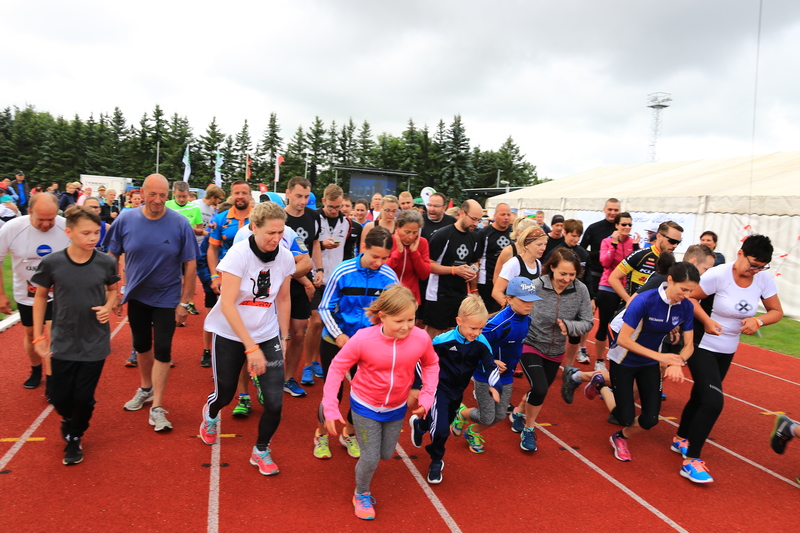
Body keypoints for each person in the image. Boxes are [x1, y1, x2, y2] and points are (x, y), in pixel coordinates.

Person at [322, 285, 439, 520]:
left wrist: (427, 396)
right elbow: (337, 368)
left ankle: (358, 449)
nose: (406, 326)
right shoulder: (363, 339)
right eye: (399, 321)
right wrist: (330, 407)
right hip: (365, 405)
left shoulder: (420, 338)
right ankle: (361, 493)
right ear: (383, 316)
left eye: (411, 319)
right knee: (371, 457)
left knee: (385, 454)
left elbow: (431, 364)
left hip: (396, 407)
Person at [674, 235, 783, 483]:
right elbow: (690, 298)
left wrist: (758, 321)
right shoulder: (719, 275)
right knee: (713, 402)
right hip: (702, 344)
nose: (755, 270)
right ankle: (691, 460)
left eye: (761, 267)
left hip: (728, 348)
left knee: (701, 396)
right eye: (753, 264)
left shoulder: (763, 279)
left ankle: (680, 438)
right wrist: (707, 320)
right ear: (740, 253)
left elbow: (777, 311)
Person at [198, 202, 294, 476]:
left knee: (274, 401)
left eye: (280, 232)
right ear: (254, 228)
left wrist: (284, 338)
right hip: (230, 332)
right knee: (225, 394)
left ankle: (261, 450)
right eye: (270, 233)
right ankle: (211, 414)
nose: (276, 238)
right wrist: (250, 347)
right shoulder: (238, 255)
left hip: (266, 333)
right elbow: (228, 305)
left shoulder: (285, 256)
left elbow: (283, 299)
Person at [104, 174, 197, 432]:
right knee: (142, 345)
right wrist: (113, 291)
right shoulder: (125, 219)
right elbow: (111, 255)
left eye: (163, 195)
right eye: (153, 194)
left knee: (163, 349)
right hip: (136, 296)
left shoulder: (179, 223)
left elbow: (190, 264)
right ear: (142, 193)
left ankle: (157, 406)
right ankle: (146, 388)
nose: (157, 200)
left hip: (167, 297)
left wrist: (185, 302)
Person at [31, 205, 118, 465]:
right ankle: (69, 419)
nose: (93, 238)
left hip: (95, 341)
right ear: (69, 232)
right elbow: (40, 297)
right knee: (59, 397)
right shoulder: (52, 262)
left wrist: (108, 306)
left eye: (96, 233)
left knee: (83, 397)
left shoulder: (106, 262)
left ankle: (75, 436)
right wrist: (38, 336)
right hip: (63, 340)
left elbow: (113, 290)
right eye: (86, 233)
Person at [313, 227, 399, 461]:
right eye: (375, 256)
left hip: (370, 345)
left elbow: (393, 311)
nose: (379, 263)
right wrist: (339, 335)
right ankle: (321, 434)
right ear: (363, 248)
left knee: (363, 393)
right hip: (336, 340)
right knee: (334, 391)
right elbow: (324, 307)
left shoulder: (390, 277)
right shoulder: (343, 271)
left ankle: (349, 433)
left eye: (384, 258)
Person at [606, 262, 699, 466]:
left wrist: (678, 362)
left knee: (650, 419)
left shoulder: (686, 306)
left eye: (691, 291)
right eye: (684, 289)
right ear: (670, 280)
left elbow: (689, 345)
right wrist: (661, 357)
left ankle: (620, 437)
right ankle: (602, 387)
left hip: (649, 363)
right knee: (624, 416)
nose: (687, 295)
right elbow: (623, 339)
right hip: (623, 360)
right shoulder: (644, 300)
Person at [409, 295, 500, 484]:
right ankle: (436, 460)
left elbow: (491, 366)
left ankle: (420, 425)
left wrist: (494, 386)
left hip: (457, 392)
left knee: (441, 421)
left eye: (481, 328)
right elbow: (421, 360)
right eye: (473, 328)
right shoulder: (442, 341)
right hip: (438, 388)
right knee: (441, 430)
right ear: (459, 321)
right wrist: (418, 385)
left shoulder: (482, 343)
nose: (477, 332)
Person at [511, 248, 594, 451]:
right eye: (563, 273)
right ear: (552, 268)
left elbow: (588, 322)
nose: (567, 279)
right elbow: (515, 309)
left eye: (572, 274)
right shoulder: (535, 286)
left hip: (556, 350)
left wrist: (570, 326)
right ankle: (529, 430)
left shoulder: (580, 290)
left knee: (539, 390)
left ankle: (518, 412)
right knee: (540, 388)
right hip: (531, 343)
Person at [451, 277, 540, 454]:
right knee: (486, 416)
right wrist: (490, 362)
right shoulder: (497, 324)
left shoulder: (527, 320)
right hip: (485, 375)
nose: (529, 304)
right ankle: (462, 413)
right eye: (524, 300)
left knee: (499, 415)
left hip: (506, 376)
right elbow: (472, 346)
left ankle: (472, 431)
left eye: (532, 300)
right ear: (509, 299)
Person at [0, 193, 70, 389]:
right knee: (32, 334)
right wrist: (1, 294)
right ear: (30, 212)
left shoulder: (66, 227)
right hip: (27, 293)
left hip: (57, 294)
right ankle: (36, 370)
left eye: (51, 219)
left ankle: (52, 379)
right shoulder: (12, 228)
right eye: (41, 219)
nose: (47, 224)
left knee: (54, 335)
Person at [303, 184, 358, 387]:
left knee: (330, 324)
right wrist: (321, 244)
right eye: (331, 206)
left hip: (336, 281)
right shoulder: (314, 218)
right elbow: (305, 245)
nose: (335, 210)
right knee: (316, 321)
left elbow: (348, 252)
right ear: (324, 201)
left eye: (338, 206)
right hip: (315, 277)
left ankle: (317, 361)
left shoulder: (347, 223)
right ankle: (307, 365)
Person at [283, 177, 323, 397]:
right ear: (288, 193)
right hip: (281, 284)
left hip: (303, 281)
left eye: (307, 196)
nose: (303, 201)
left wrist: (319, 269)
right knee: (276, 335)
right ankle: (267, 377)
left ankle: (288, 378)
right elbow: (282, 259)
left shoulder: (314, 216)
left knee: (298, 334)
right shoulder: (280, 218)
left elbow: (314, 243)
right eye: (299, 196)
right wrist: (306, 280)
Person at [424, 199, 483, 338]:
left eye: (479, 220)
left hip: (460, 293)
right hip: (438, 293)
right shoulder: (442, 235)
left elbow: (475, 263)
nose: (476, 224)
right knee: (435, 333)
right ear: (462, 213)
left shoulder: (475, 237)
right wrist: (454, 270)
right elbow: (428, 265)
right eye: (473, 219)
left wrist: (471, 272)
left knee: (453, 332)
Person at [594, 212, 638, 369]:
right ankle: (599, 360)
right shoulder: (607, 241)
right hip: (608, 288)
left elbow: (636, 266)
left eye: (629, 224)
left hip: (626, 291)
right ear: (617, 225)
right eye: (623, 224)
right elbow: (605, 263)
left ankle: (617, 358)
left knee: (623, 326)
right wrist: (614, 243)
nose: (627, 227)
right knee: (604, 325)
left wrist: (635, 247)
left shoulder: (632, 242)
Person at [608, 221, 683, 304]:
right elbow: (613, 278)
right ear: (659, 236)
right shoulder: (641, 255)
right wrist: (630, 301)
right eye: (672, 241)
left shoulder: (671, 260)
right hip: (634, 307)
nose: (675, 245)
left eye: (678, 242)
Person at [492, 225, 547, 307]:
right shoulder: (514, 263)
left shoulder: (537, 264)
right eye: (539, 245)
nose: (543, 248)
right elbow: (496, 292)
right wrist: (511, 308)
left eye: (545, 244)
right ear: (527, 245)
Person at [386, 209, 430, 308]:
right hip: (389, 296)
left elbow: (424, 274)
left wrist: (414, 253)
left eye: (415, 232)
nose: (411, 237)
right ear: (398, 228)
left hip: (411, 298)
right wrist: (398, 253)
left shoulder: (422, 243)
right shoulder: (388, 240)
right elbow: (383, 269)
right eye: (407, 232)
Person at [475, 203, 512, 313]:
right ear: (495, 215)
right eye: (502, 214)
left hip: (507, 280)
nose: (506, 217)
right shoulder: (484, 233)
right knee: (487, 312)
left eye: (508, 214)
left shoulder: (513, 232)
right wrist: (474, 287)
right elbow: (477, 259)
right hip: (487, 280)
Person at [580, 198, 621, 297]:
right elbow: (581, 250)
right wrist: (600, 254)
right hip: (595, 274)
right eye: (610, 209)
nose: (612, 213)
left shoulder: (622, 230)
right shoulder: (594, 228)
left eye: (616, 210)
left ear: (620, 211)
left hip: (616, 277)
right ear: (604, 209)